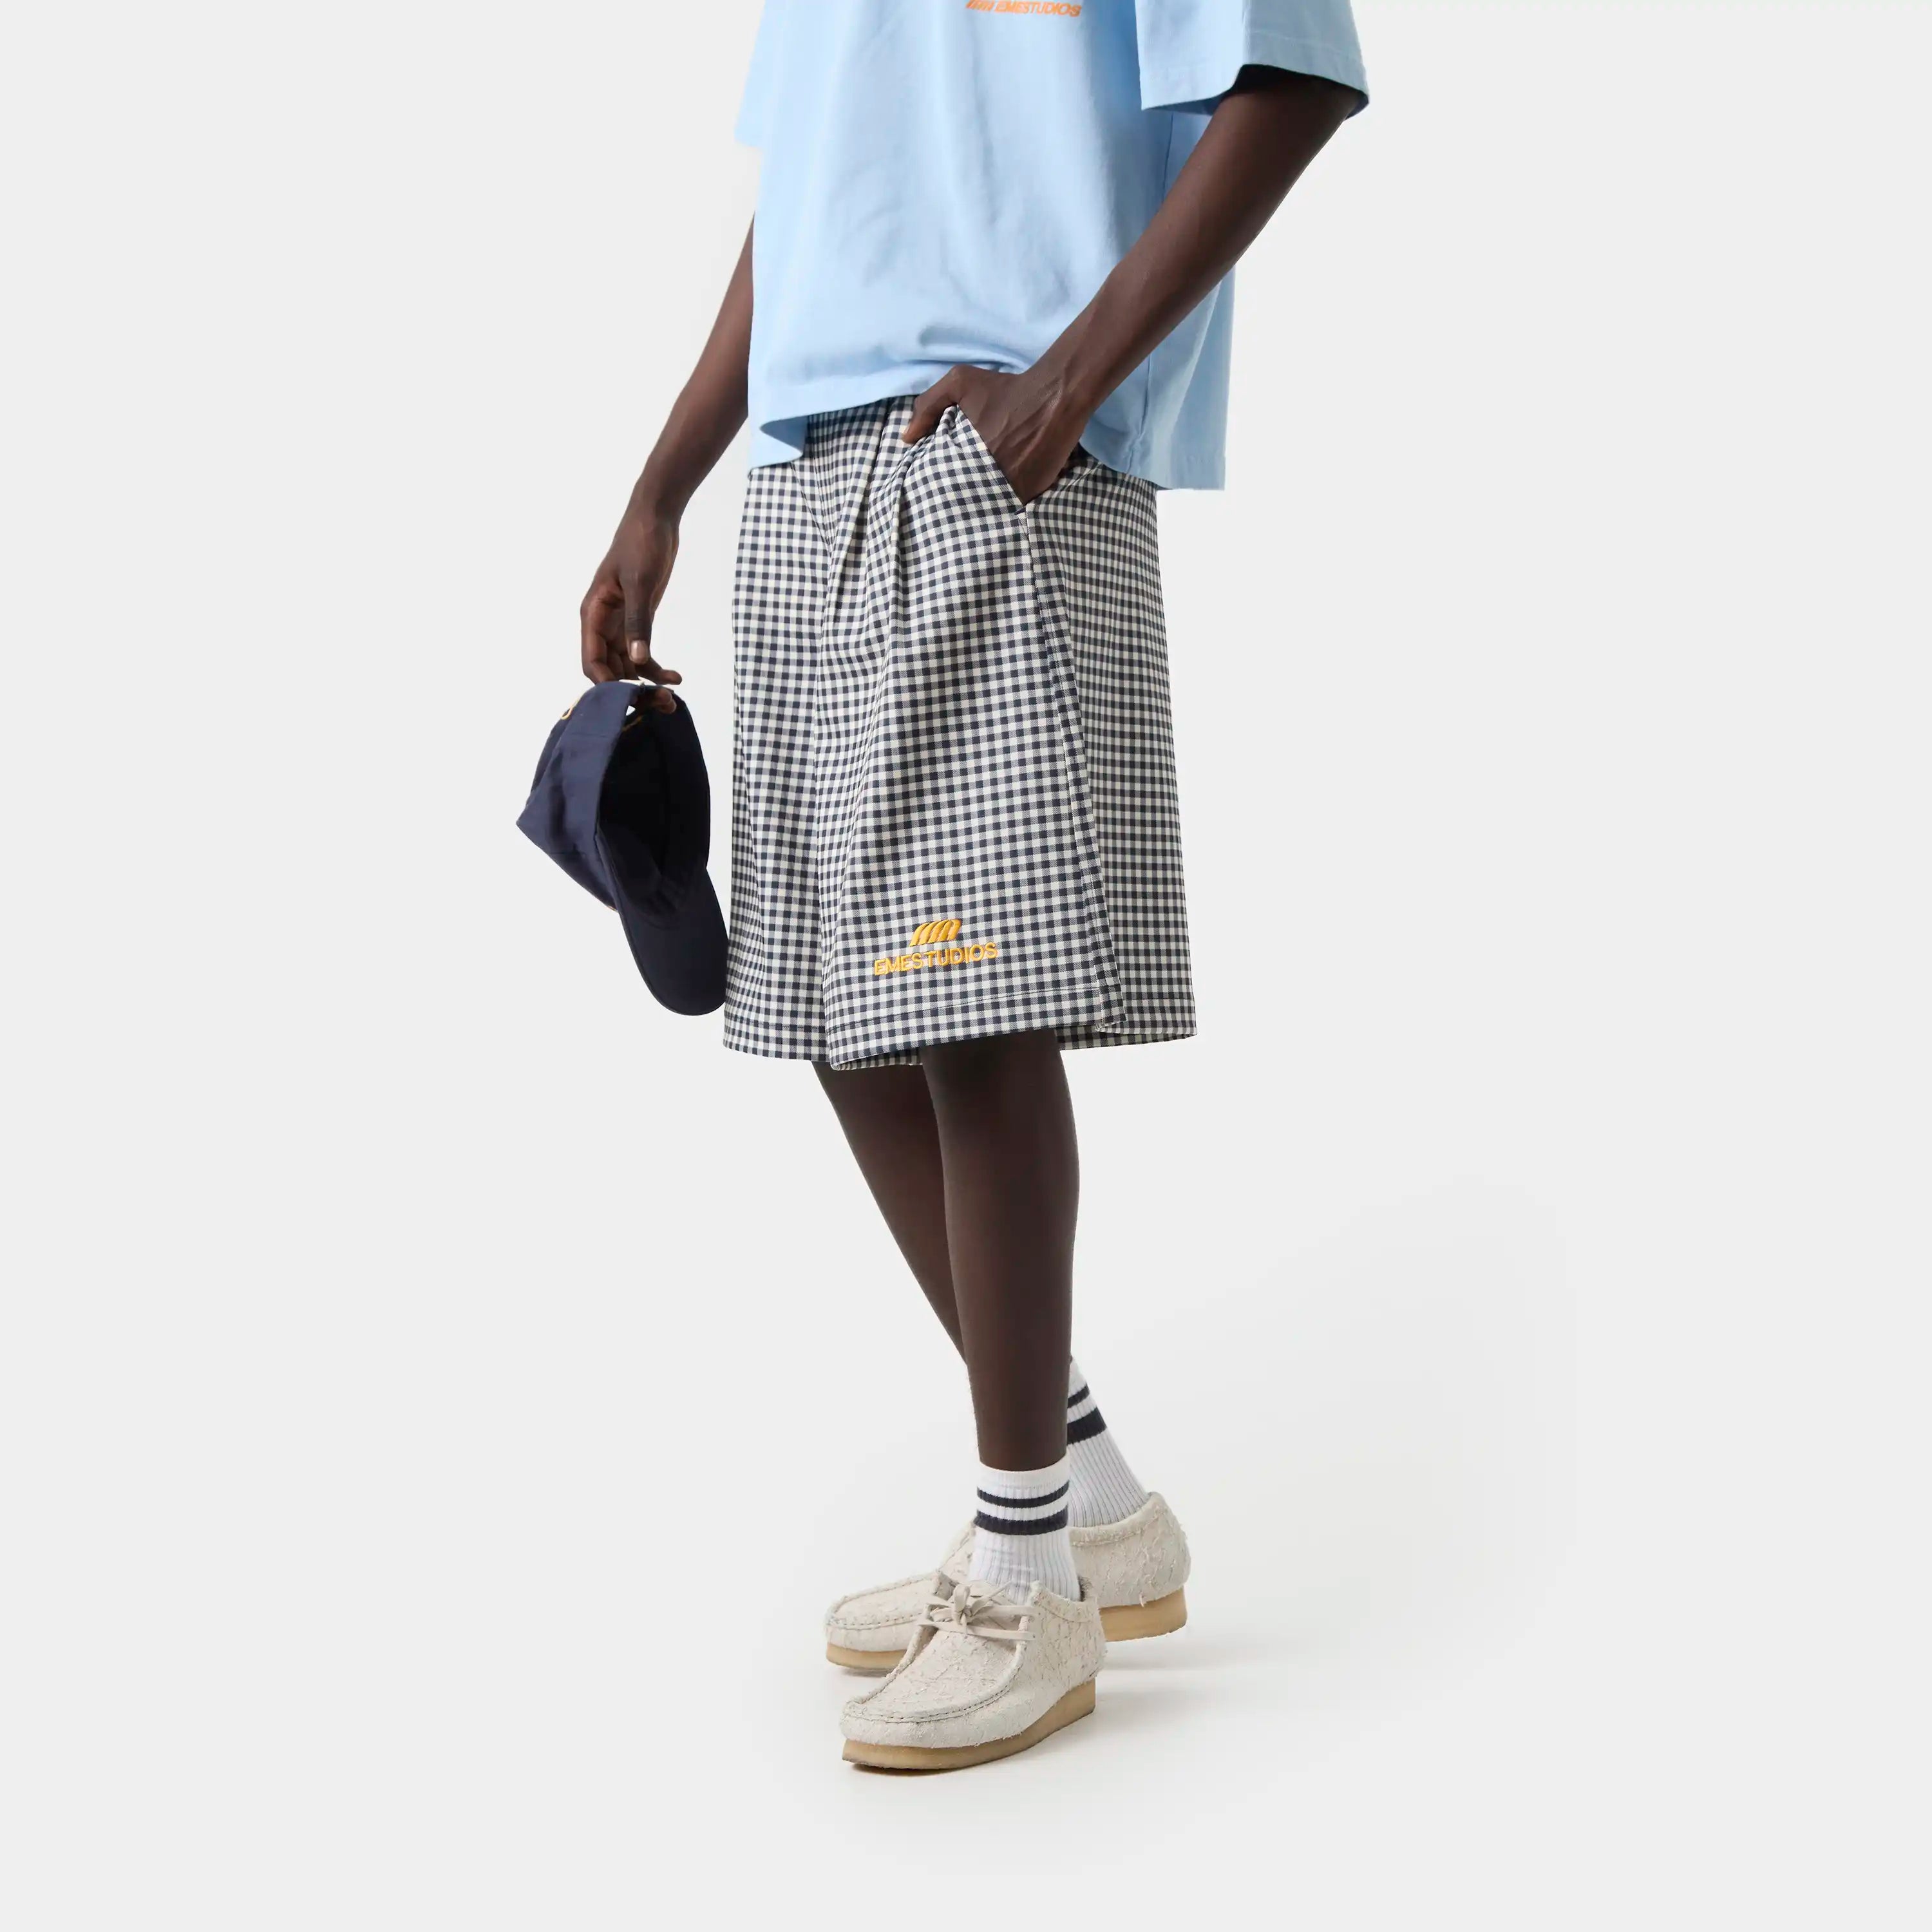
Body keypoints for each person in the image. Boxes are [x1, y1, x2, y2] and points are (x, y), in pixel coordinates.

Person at [579, 0, 1368, 1772]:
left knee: (969, 997)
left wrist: (1067, 385)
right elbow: (813, 194)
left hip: (1000, 446)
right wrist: (663, 482)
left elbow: (1295, 72)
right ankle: (1087, 1503)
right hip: (808, 470)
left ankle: (1027, 1581)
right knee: (835, 1009)